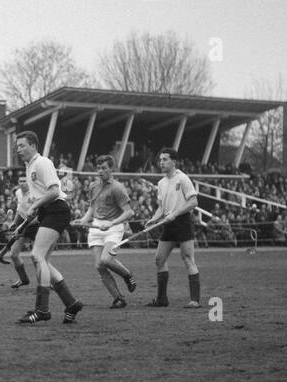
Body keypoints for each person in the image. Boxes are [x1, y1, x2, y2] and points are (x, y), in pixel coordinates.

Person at [14, 131, 83, 324]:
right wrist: (31, 216)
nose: (18, 150)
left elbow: (54, 191)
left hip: (57, 210)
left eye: (22, 145)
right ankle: (71, 303)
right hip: (48, 212)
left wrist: (35, 207)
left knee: (37, 256)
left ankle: (42, 309)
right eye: (17, 146)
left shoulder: (42, 163)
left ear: (33, 145)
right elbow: (41, 196)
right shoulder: (29, 167)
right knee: (42, 259)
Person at [73, 155, 138, 308]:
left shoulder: (117, 188)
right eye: (99, 168)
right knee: (99, 266)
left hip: (113, 228)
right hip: (96, 228)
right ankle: (119, 299)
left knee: (106, 260)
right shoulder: (93, 186)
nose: (100, 171)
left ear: (111, 169)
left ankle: (127, 275)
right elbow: (92, 207)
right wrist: (83, 220)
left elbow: (129, 212)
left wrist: (111, 223)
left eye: (104, 168)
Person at [147, 148, 202, 308]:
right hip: (168, 224)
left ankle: (194, 300)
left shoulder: (183, 178)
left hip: (182, 222)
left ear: (174, 162)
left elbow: (193, 202)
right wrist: (154, 219)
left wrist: (175, 214)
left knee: (187, 259)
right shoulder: (161, 183)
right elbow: (162, 208)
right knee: (159, 259)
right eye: (160, 160)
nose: (161, 163)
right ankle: (162, 299)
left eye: (165, 159)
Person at [2, 174, 38, 290]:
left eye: (24, 181)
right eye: (20, 181)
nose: (22, 183)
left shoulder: (35, 192)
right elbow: (19, 209)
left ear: (28, 182)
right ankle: (24, 279)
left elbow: (38, 214)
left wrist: (22, 225)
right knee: (13, 254)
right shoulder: (18, 193)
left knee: (39, 256)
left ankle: (48, 281)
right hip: (23, 225)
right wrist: (14, 222)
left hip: (36, 224)